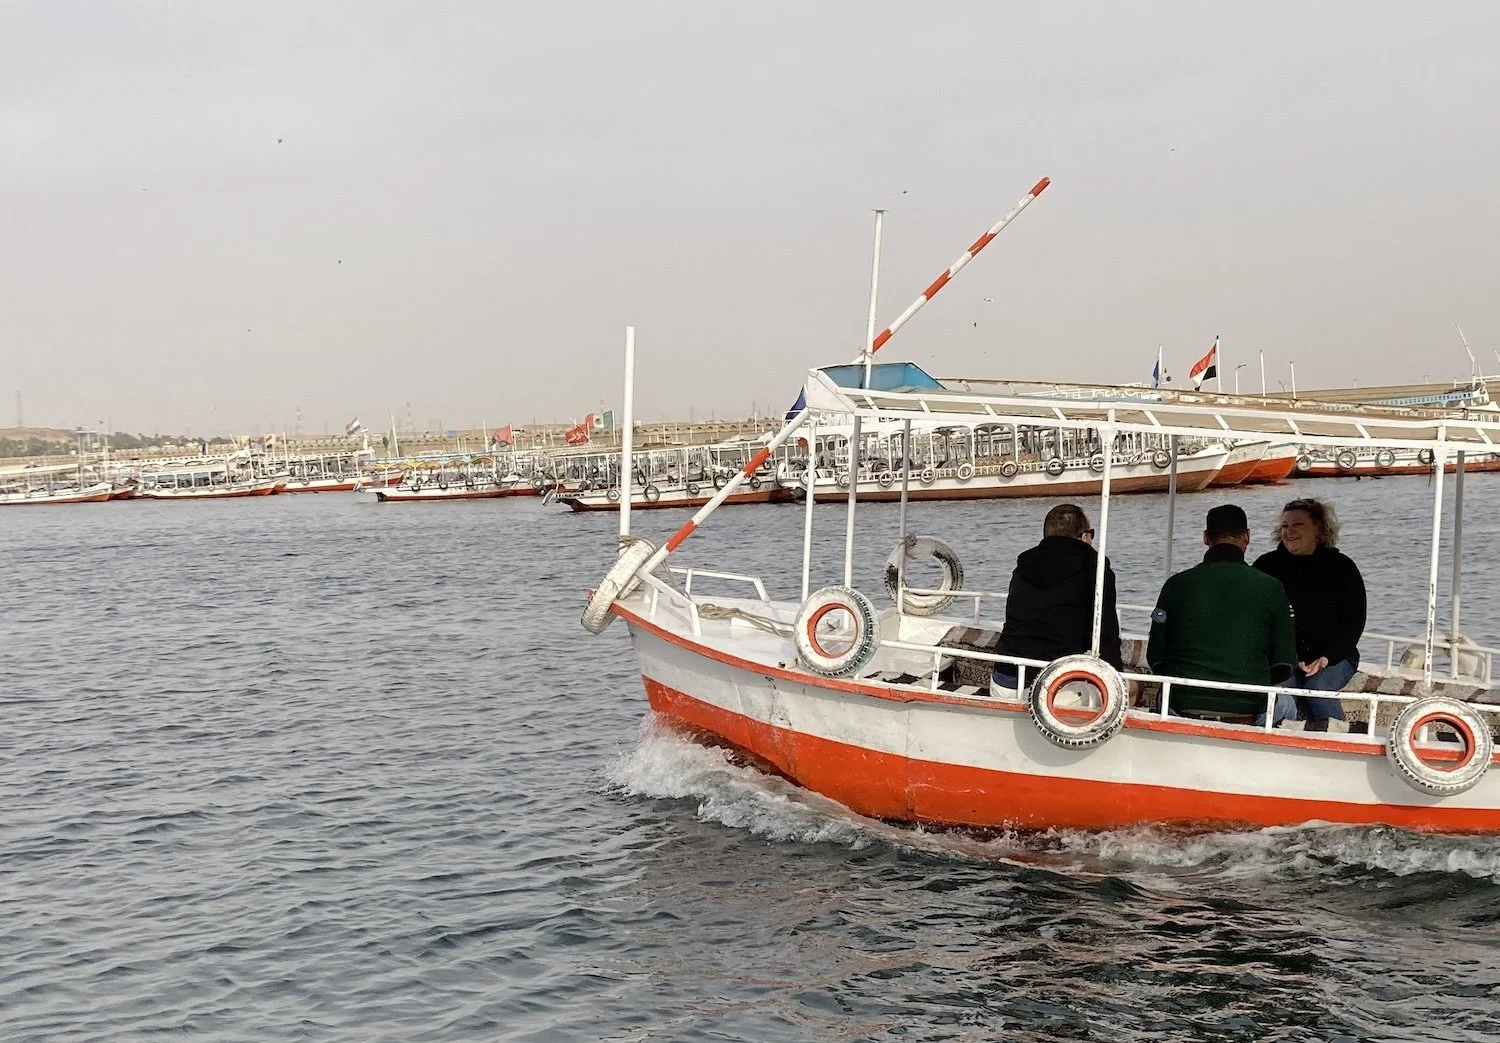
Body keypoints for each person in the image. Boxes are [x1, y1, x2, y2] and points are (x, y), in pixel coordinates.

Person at [1147, 504, 1298, 724]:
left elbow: (1155, 657)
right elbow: (1285, 664)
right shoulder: (1271, 588)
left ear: (1205, 538)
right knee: (1289, 704)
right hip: (1248, 711)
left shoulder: (1175, 585)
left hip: (1182, 705)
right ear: (1247, 537)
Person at [1253, 497, 1366, 731]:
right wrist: (1287, 655)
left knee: (1317, 688)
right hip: (1282, 656)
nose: (1289, 531)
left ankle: (1341, 739)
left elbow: (1353, 623)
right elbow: (1256, 619)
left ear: (1318, 528)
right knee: (1282, 692)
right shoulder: (1266, 566)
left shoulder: (1342, 567)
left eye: (1298, 525)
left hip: (1334, 656)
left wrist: (1327, 658)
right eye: (1285, 526)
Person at [992, 503, 1123, 691]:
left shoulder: (1023, 567)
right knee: (1131, 688)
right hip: (1058, 685)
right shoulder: (1096, 569)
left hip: (1006, 677)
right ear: (1084, 536)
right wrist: (1116, 678)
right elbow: (1106, 633)